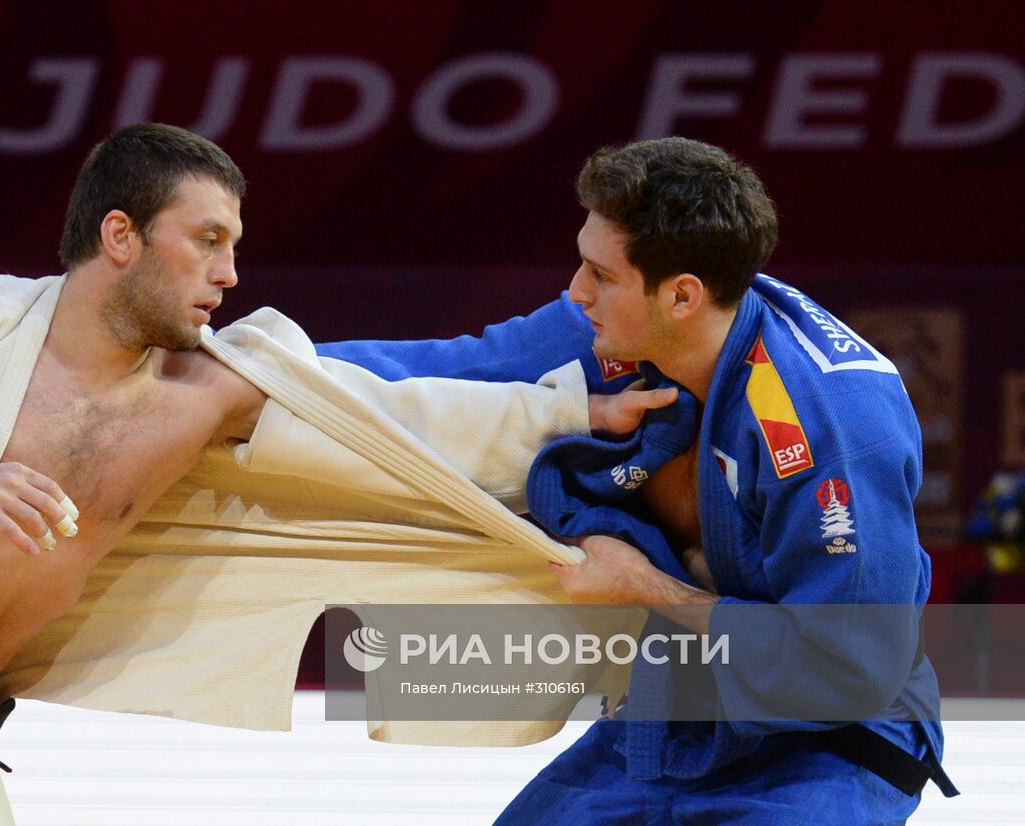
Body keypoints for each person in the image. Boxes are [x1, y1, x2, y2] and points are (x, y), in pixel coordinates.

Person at [0, 123, 674, 825]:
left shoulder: (206, 389)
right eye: (206, 241)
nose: (229, 273)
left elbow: (381, 416)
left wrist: (565, 410)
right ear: (119, 236)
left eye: (234, 244)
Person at [321, 137, 958, 824]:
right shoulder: (616, 334)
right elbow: (435, 372)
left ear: (682, 296)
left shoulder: (825, 421)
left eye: (602, 274)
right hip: (672, 723)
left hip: (829, 745)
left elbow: (850, 670)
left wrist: (645, 586)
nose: (576, 291)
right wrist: (237, 368)